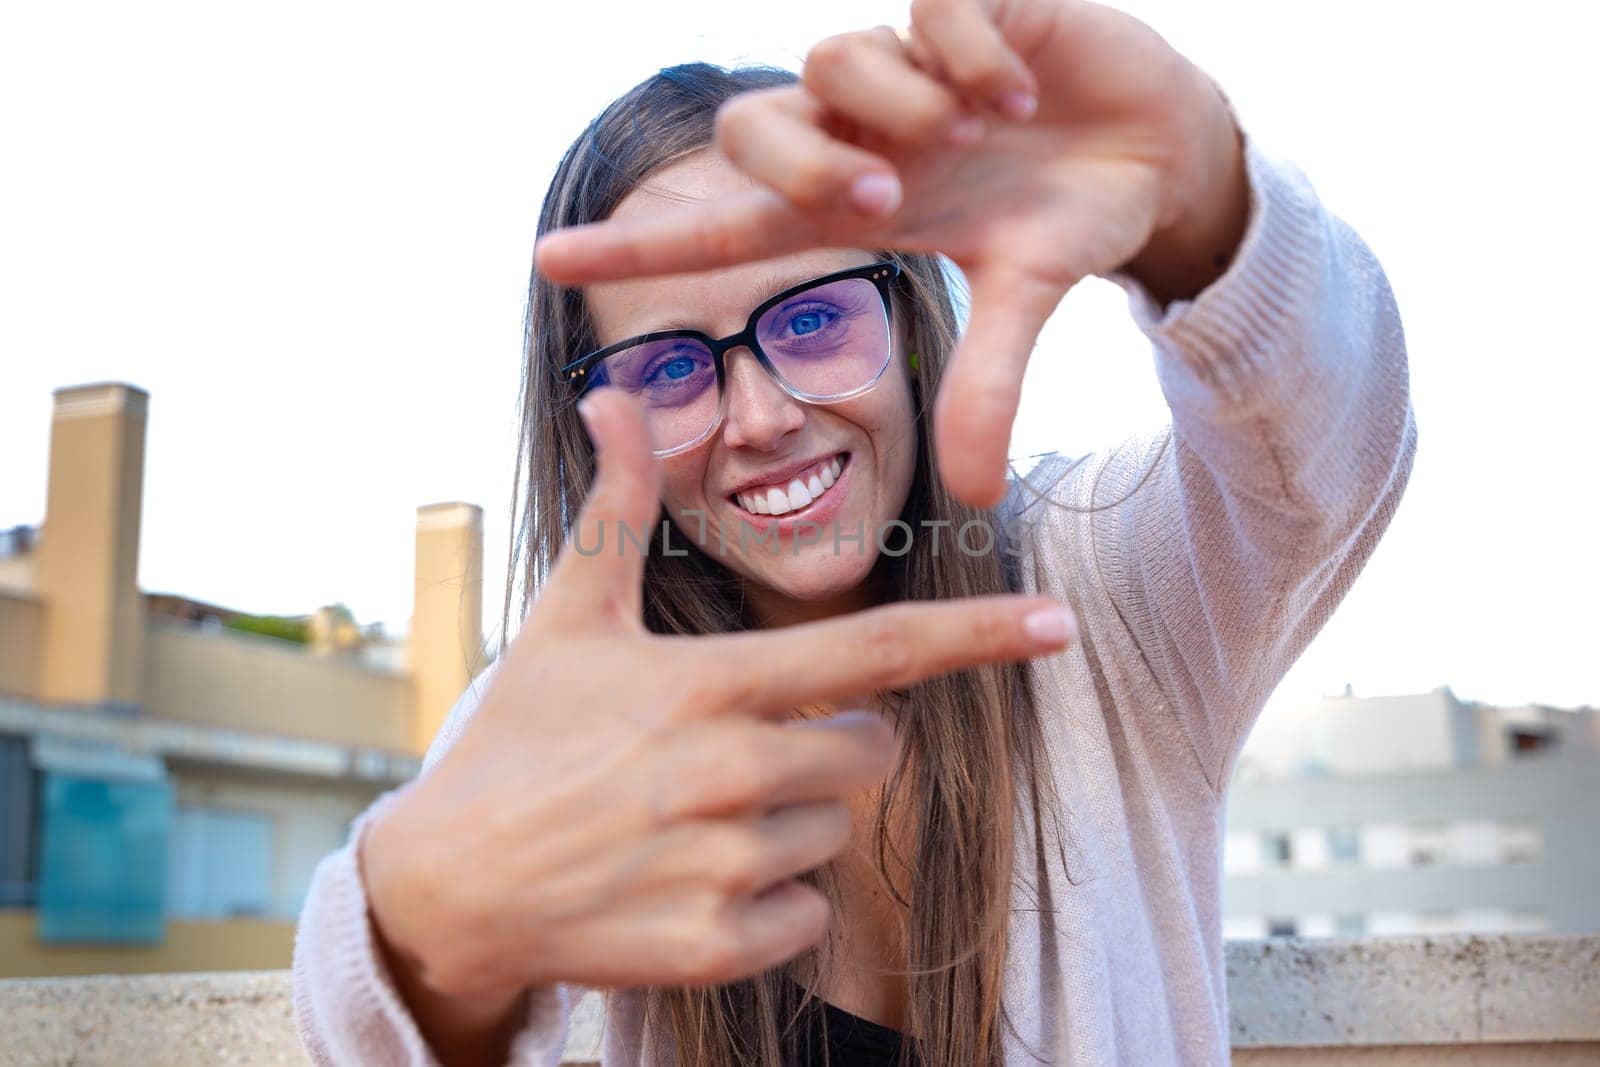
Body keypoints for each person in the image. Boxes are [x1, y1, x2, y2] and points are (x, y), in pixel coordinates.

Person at [292, 1, 1417, 1064]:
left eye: (815, 316)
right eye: (669, 366)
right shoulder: (582, 703)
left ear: (912, 324)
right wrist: (420, 938)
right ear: (589, 424)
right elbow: (387, 1029)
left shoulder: (1099, 591)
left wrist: (1200, 200)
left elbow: (1324, 441)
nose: (763, 415)